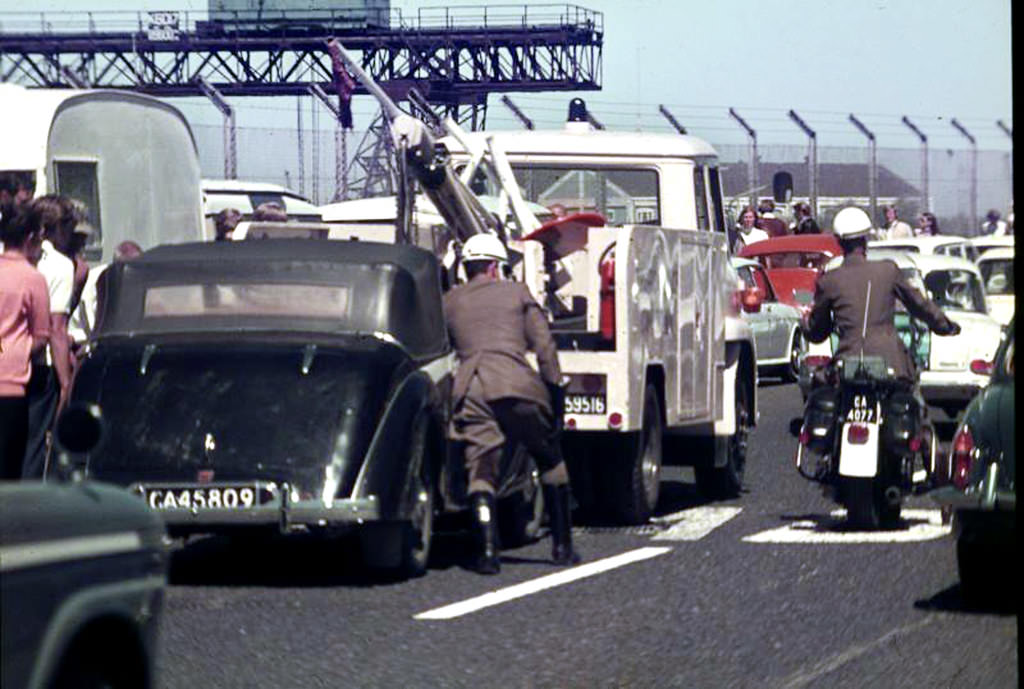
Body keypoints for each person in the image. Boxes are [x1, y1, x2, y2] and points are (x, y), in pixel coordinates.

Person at [444, 233, 579, 574]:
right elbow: (544, 347)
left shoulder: (451, 300)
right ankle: (562, 546)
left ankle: (488, 552)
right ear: (494, 267)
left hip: (471, 388)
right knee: (550, 459)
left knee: (481, 469)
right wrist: (556, 393)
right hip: (516, 385)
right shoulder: (516, 293)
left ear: (467, 267)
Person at [804, 206, 960, 383]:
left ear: (839, 242)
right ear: (865, 240)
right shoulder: (888, 270)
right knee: (909, 403)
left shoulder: (829, 280)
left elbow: (818, 331)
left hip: (847, 362)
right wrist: (945, 326)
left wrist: (806, 324)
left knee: (822, 398)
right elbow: (919, 306)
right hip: (891, 362)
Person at [22, 195, 77, 478]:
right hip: (39, 365)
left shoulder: (10, 255)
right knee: (33, 445)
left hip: (7, 358)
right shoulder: (60, 266)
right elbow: (57, 327)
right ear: (57, 229)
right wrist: (66, 382)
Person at [0, 202, 50, 479]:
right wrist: (14, 349)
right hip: (11, 383)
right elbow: (41, 336)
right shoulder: (33, 279)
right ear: (30, 238)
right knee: (9, 469)